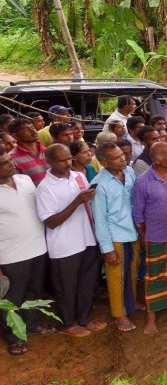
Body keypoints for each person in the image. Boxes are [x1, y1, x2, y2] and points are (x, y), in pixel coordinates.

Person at [37, 144, 106, 339]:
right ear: (49, 162)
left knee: (87, 283)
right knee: (66, 288)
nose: (68, 163)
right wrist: (76, 202)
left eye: (69, 158)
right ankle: (68, 323)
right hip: (64, 245)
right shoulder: (45, 188)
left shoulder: (79, 176)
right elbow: (50, 222)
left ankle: (84, 318)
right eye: (62, 160)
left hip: (87, 239)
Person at [0, 147, 51, 355]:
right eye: (4, 163)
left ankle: (32, 325)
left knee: (34, 292)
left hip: (38, 247)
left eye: (9, 159)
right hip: (10, 254)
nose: (11, 163)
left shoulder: (25, 180)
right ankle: (14, 336)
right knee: (11, 299)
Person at [132, 143, 167, 335]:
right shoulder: (143, 182)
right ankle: (151, 317)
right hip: (156, 236)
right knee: (154, 276)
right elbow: (138, 215)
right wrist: (145, 237)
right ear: (158, 161)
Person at [91, 142, 140, 332]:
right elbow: (100, 219)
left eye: (123, 155)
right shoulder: (99, 184)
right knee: (116, 277)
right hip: (115, 236)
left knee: (132, 272)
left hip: (132, 232)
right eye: (117, 157)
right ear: (104, 162)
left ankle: (130, 304)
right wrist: (107, 249)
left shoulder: (128, 172)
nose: (123, 158)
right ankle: (120, 315)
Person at [8, 118, 49, 185]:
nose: (33, 131)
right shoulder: (11, 158)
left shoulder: (48, 151)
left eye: (32, 127)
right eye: (27, 129)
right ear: (15, 136)